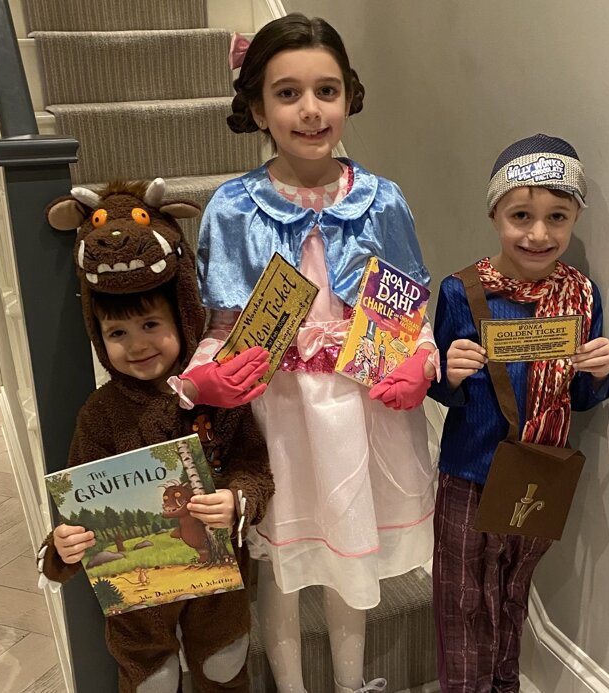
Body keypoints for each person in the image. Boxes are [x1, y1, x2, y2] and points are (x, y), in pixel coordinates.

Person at [169, 14, 439, 693]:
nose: (311, 109)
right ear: (259, 108)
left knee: (352, 559)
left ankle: (350, 684)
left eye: (327, 90)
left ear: (349, 96)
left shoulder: (383, 201)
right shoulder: (234, 208)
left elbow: (408, 312)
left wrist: (422, 359)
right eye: (287, 93)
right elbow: (223, 324)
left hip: (362, 411)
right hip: (280, 416)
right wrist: (205, 378)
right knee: (282, 569)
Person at [36, 179, 274, 693]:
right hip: (138, 603)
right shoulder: (100, 415)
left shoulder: (217, 396)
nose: (137, 345)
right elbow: (79, 508)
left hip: (218, 582)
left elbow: (254, 466)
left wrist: (238, 500)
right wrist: (61, 548)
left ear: (182, 319)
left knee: (224, 663)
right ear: (98, 337)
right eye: (117, 333)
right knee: (152, 678)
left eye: (150, 325)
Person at [427, 134, 609, 693]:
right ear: (495, 215)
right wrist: (448, 373)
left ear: (575, 218)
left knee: (513, 590)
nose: (538, 234)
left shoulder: (581, 296)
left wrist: (596, 373)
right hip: (469, 470)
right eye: (520, 216)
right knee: (462, 595)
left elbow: (582, 399)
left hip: (540, 471)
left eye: (557, 217)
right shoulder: (462, 292)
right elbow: (439, 389)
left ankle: (505, 683)